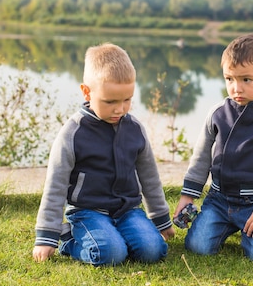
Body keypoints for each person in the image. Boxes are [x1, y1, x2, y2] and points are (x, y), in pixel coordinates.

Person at [33, 43, 174, 266]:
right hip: (87, 212)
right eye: (110, 102)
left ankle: (119, 235)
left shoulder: (135, 129)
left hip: (128, 211)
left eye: (127, 100)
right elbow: (56, 184)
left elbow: (149, 176)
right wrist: (46, 235)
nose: (120, 109)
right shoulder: (72, 133)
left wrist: (160, 219)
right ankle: (69, 240)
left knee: (153, 251)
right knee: (110, 254)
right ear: (87, 92)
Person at [174, 33, 253, 261]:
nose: (236, 88)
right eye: (229, 79)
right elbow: (200, 158)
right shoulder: (217, 113)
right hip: (219, 199)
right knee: (197, 247)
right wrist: (188, 196)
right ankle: (226, 225)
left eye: (246, 80)